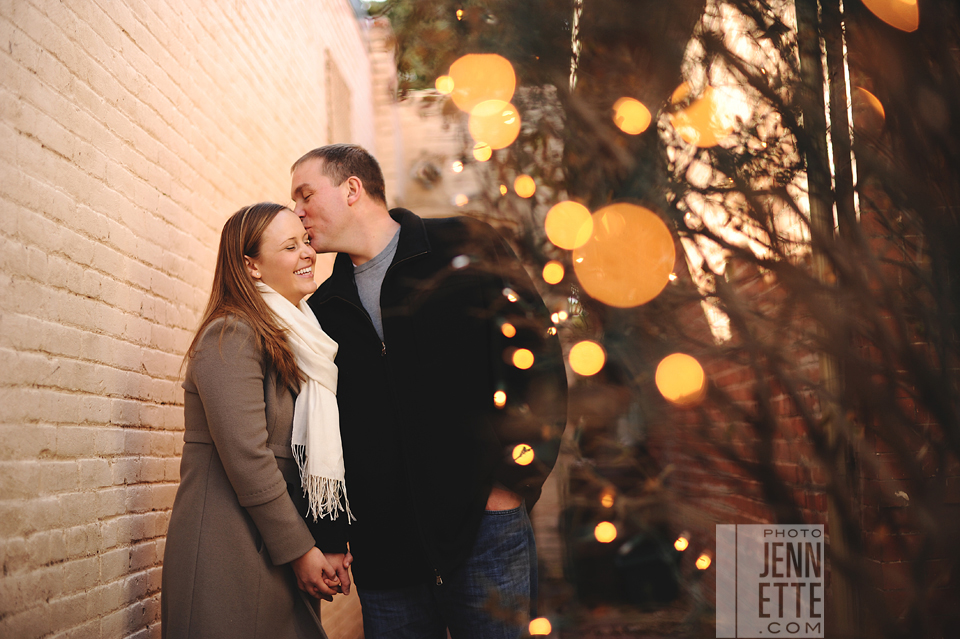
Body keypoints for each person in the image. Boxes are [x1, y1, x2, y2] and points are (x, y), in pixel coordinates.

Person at [290, 144, 568, 639]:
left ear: (352, 188)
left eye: (306, 195)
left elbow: (536, 361)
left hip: (485, 530)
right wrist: (334, 536)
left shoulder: (464, 245)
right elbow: (322, 434)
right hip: (386, 556)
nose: (298, 212)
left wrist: (513, 483)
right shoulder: (325, 309)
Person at [161, 202, 352, 639]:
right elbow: (249, 458)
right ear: (251, 266)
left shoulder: (299, 338)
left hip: (278, 541)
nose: (308, 253)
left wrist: (325, 542)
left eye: (305, 241)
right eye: (290, 246)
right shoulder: (231, 334)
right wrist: (302, 550)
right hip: (230, 548)